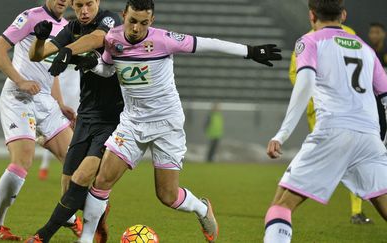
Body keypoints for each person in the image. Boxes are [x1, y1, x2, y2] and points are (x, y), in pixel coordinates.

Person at [69, 0, 281, 242]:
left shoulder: (164, 40)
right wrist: (92, 64)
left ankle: (201, 208)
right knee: (102, 180)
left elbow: (209, 43)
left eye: (144, 23)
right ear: (123, 15)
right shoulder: (113, 39)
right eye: (132, 21)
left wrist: (250, 51)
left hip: (166, 124)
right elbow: (108, 68)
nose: (137, 28)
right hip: (132, 122)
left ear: (152, 21)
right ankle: (85, 238)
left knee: (167, 196)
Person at [264, 0, 387, 242]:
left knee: (280, 206)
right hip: (369, 138)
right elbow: (385, 96)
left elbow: (305, 85)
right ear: (343, 14)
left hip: (333, 132)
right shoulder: (365, 48)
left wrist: (283, 133)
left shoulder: (308, 41)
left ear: (311, 16)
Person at [24, 0, 124, 242]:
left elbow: (99, 39)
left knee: (83, 176)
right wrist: (39, 40)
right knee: (69, 186)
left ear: (97, 2)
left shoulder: (110, 20)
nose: (84, 11)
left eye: (89, 4)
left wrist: (68, 50)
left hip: (113, 118)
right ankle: (98, 213)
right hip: (86, 115)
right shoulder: (72, 28)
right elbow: (37, 56)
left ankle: (41, 236)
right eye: (78, 5)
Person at [0, 0, 83, 241]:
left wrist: (60, 104)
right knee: (22, 161)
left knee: (76, 161)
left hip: (46, 102)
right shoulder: (30, 17)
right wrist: (20, 81)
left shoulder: (68, 27)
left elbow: (52, 71)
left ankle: (67, 215)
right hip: (19, 97)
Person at [289, 22, 373, 225]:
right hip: (323, 112)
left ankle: (356, 211)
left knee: (351, 159)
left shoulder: (310, 39)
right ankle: (284, 203)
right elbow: (295, 74)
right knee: (328, 160)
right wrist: (313, 99)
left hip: (348, 109)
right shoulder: (312, 39)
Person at [38, 58, 81, 181]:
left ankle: (69, 169)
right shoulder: (61, 41)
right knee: (54, 128)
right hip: (60, 85)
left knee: (73, 128)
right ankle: (45, 165)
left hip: (75, 88)